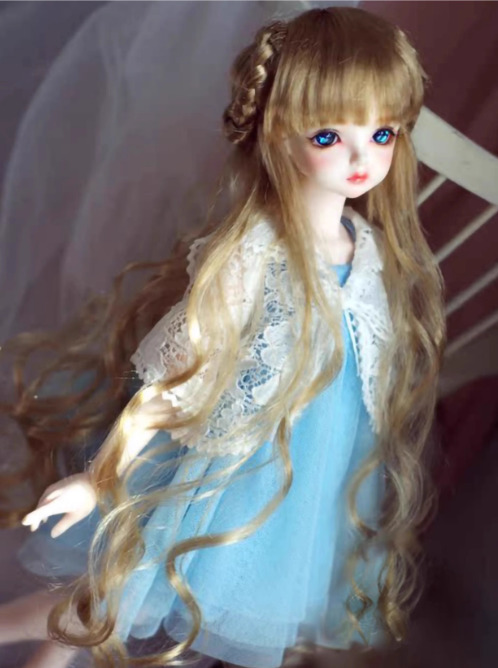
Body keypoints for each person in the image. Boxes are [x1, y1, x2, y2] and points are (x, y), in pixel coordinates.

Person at [0, 6, 446, 668]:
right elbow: (175, 378)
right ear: (278, 133)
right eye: (329, 136)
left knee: (141, 605)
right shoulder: (256, 253)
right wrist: (99, 478)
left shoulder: (370, 249)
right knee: (123, 598)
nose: (361, 157)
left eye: (382, 133)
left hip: (308, 488)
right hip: (228, 469)